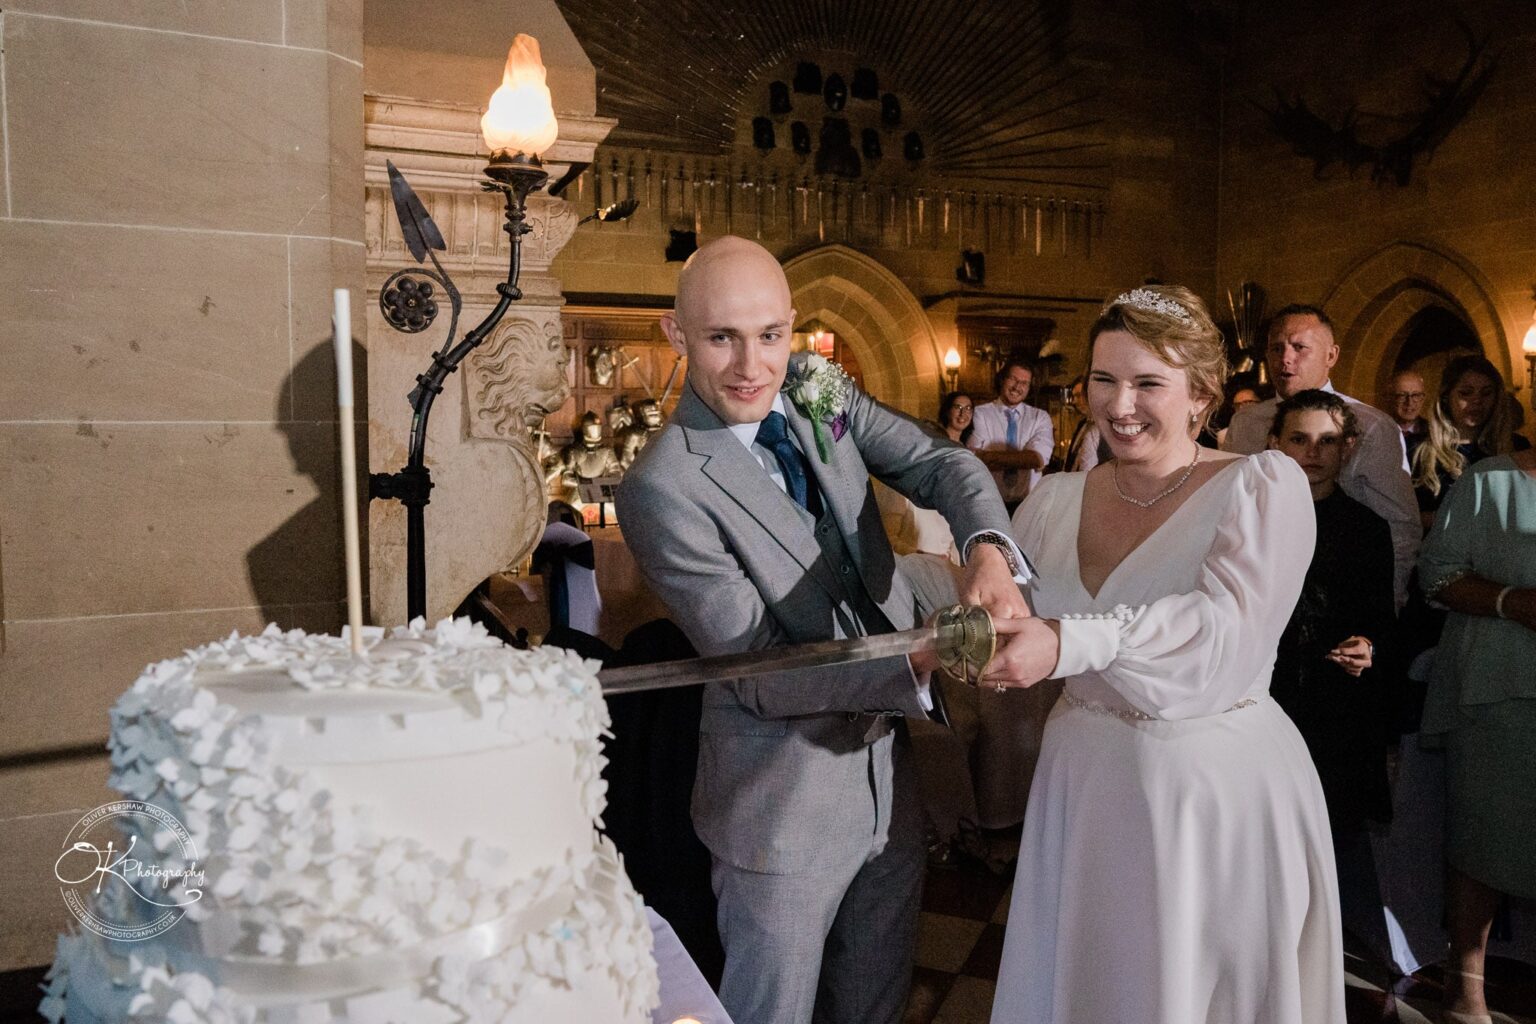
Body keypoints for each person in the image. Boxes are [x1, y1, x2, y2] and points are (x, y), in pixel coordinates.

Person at [615, 236, 1032, 1024]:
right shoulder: (662, 487)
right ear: (676, 333)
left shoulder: (816, 385)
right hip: (780, 803)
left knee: (875, 1005)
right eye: (722, 337)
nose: (753, 366)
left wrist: (987, 551)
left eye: (770, 335)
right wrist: (916, 659)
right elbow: (759, 668)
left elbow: (942, 463)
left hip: (889, 788)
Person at [989, 286, 1343, 1024]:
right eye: (1103, 379)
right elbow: (1001, 606)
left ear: (1202, 396)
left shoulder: (1260, 487)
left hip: (1208, 796)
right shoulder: (1054, 500)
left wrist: (1073, 639)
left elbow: (1221, 635)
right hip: (1082, 786)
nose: (1119, 405)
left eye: (1148, 382)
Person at [1266, 390, 1395, 950]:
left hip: (1333, 708)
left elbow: (1381, 621)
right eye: (1299, 439)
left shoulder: (1367, 528)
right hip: (1261, 697)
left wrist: (1369, 645)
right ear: (1275, 443)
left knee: (1328, 831)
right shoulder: (1249, 517)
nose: (1312, 452)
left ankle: (1319, 949)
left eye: (1327, 441)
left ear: (1348, 448)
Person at [1416, 448, 1536, 1023]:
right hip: (1499, 686)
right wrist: (1513, 602)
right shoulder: (1491, 481)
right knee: (1482, 837)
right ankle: (1464, 992)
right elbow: (1437, 576)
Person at [1222, 303, 1418, 608]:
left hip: (1341, 587)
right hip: (1260, 586)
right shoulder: (1247, 423)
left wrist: (1384, 610)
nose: (1285, 359)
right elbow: (1231, 508)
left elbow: (1399, 526)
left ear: (1331, 356)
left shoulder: (1371, 426)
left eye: (1299, 347)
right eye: (1276, 348)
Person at [1411, 354, 1529, 531]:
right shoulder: (1419, 451)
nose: (1477, 401)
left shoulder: (1517, 447)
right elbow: (1405, 516)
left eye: (1486, 393)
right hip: (1442, 545)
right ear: (1446, 397)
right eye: (1465, 393)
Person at [969, 359, 1054, 514]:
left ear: (1030, 387)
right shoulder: (979, 414)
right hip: (988, 506)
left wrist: (989, 457)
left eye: (1024, 383)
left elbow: (1037, 459)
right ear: (1002, 379)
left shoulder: (1040, 418)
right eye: (1013, 379)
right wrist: (1023, 458)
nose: (1017, 387)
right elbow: (974, 460)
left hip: (1028, 507)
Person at [1061, 377, 1105, 472]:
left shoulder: (1104, 429)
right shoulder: (1082, 424)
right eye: (1074, 396)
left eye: (1078, 395)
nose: (1074, 401)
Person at [1384, 367, 1429, 457]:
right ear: (1388, 398)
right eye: (1402, 395)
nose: (1409, 402)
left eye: (1416, 395)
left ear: (1423, 399)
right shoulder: (1378, 431)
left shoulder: (1433, 434)